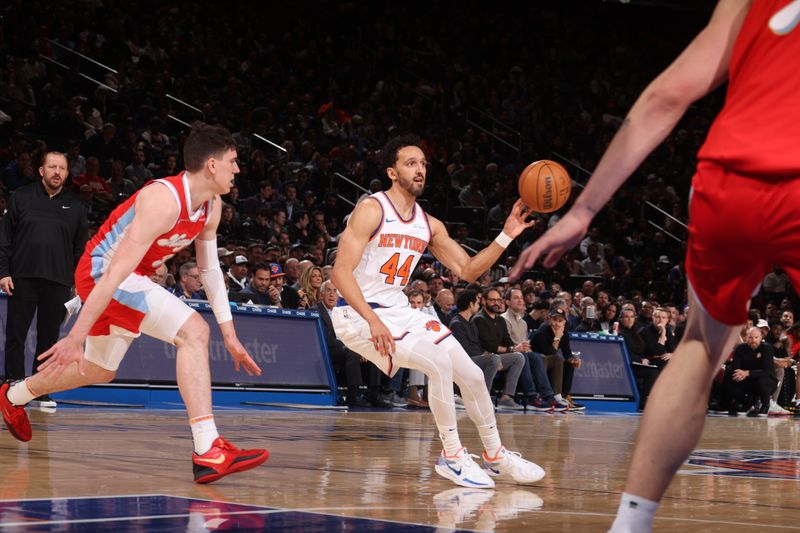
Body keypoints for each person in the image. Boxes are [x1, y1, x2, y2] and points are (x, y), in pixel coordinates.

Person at [509, 2, 800, 530]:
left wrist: (583, 211)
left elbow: (667, 95)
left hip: (729, 177)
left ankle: (631, 523)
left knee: (700, 345)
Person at [0, 123, 268, 484]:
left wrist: (231, 334)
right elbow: (113, 275)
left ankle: (13, 395)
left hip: (130, 275)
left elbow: (209, 269)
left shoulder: (212, 207)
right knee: (193, 331)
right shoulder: (162, 199)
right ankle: (207, 449)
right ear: (212, 165)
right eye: (233, 161)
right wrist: (76, 335)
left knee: (99, 370)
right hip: (103, 270)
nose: (238, 169)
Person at [330, 134, 544, 489]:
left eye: (423, 164)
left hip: (399, 310)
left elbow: (470, 270)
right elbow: (339, 272)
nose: (419, 169)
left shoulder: (429, 224)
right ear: (392, 172)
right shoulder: (372, 208)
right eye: (410, 163)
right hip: (358, 313)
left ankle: (494, 455)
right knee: (437, 363)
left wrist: (506, 235)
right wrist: (372, 319)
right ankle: (452, 455)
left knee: (473, 376)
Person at [0, 152, 88, 409]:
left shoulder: (76, 206)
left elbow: (80, 251)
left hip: (59, 282)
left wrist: (78, 284)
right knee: (15, 334)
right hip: (22, 278)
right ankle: (14, 386)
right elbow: (4, 238)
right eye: (52, 167)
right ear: (41, 170)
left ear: (67, 173)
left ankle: (40, 390)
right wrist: (3, 271)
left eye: (62, 168)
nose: (57, 172)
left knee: (49, 340)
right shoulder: (21, 197)